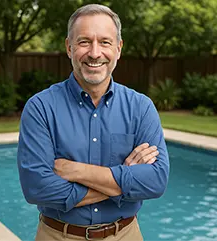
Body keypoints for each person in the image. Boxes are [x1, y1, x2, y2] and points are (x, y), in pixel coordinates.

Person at [17, 4, 169, 241]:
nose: (95, 53)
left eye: (105, 42)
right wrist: (126, 179)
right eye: (84, 42)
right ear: (69, 47)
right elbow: (37, 188)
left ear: (118, 49)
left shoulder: (141, 108)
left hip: (126, 234)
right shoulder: (40, 108)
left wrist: (78, 171)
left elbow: (156, 182)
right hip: (58, 236)